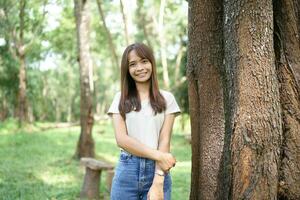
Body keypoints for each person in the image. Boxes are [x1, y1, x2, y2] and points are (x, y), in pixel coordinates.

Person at [107, 43, 181, 200]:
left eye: (144, 61)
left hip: (158, 171)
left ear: (152, 63)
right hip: (127, 171)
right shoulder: (120, 98)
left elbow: (164, 139)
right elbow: (122, 139)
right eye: (133, 64)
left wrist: (158, 182)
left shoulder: (167, 99)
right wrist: (160, 156)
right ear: (127, 70)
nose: (139, 68)